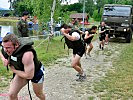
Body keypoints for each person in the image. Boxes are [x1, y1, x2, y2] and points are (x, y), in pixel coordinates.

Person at [1, 34, 45, 100]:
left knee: (38, 93)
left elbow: (29, 76)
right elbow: (1, 52)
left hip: (35, 72)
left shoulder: (27, 55)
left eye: (8, 48)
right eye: (4, 47)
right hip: (21, 71)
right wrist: (4, 59)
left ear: (16, 45)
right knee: (12, 94)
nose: (5, 50)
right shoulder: (6, 48)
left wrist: (14, 70)